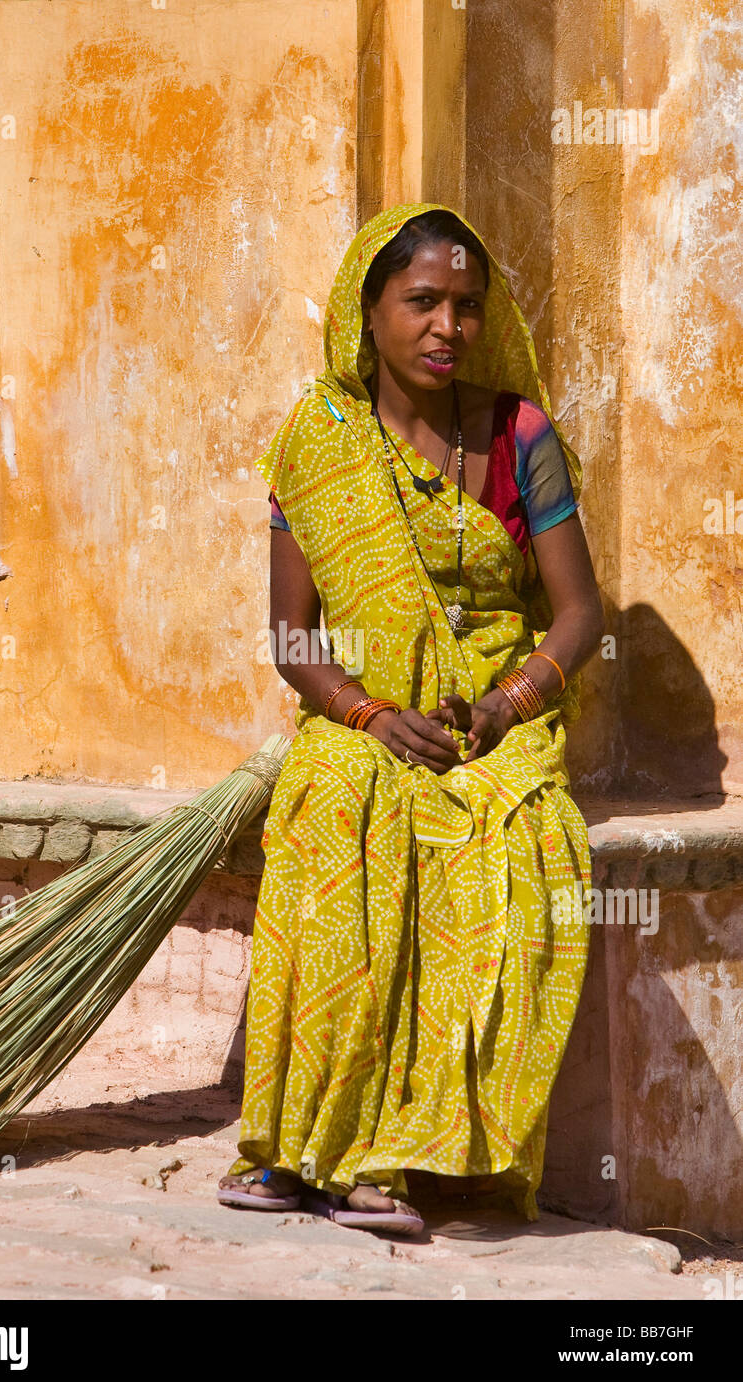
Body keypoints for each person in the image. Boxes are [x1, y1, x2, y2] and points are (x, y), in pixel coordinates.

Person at [217, 201, 604, 1235]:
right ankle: (302, 1144)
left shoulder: (521, 436)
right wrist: (369, 713)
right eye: (421, 301)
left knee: (523, 839)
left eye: (466, 305)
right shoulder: (318, 442)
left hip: (491, 715)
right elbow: (294, 640)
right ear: (369, 310)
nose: (447, 326)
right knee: (335, 803)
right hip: (370, 716)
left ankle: (409, 1152)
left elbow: (576, 614)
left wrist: (503, 704)